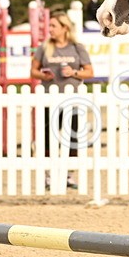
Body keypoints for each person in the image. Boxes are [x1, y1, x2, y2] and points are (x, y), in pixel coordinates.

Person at [30, 10, 94, 187]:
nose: (50, 29)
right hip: (49, 99)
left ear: (65, 28)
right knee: (47, 136)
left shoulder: (77, 47)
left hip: (71, 99)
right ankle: (49, 174)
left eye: (53, 26)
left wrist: (74, 72)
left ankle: (68, 174)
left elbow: (89, 72)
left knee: (72, 136)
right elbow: (33, 70)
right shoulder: (45, 47)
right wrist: (43, 75)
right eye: (49, 26)